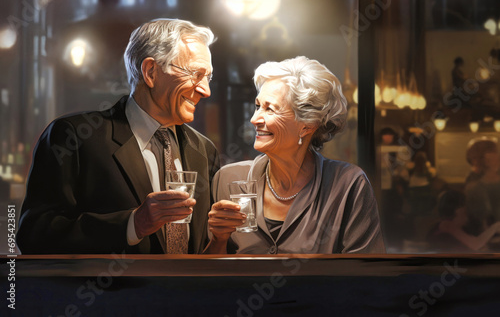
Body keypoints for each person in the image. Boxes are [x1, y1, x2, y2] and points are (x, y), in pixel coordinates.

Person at [17, 19, 220, 254]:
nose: (206, 90)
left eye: (208, 77)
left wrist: (221, 235)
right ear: (151, 71)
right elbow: (35, 235)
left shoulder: (204, 149)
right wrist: (133, 224)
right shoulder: (74, 136)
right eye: (196, 74)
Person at [204, 56, 385, 254]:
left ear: (307, 126)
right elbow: (205, 276)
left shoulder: (347, 185)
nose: (255, 119)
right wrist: (218, 239)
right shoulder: (227, 179)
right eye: (257, 106)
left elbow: (365, 276)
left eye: (269, 109)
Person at [428, 190, 500, 252]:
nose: (466, 209)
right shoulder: (446, 225)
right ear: (456, 209)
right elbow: (475, 245)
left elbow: (477, 244)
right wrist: (495, 227)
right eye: (463, 205)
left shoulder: (456, 226)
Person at [465, 138, 500, 235]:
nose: (498, 156)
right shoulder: (475, 185)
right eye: (494, 152)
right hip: (487, 237)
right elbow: (482, 219)